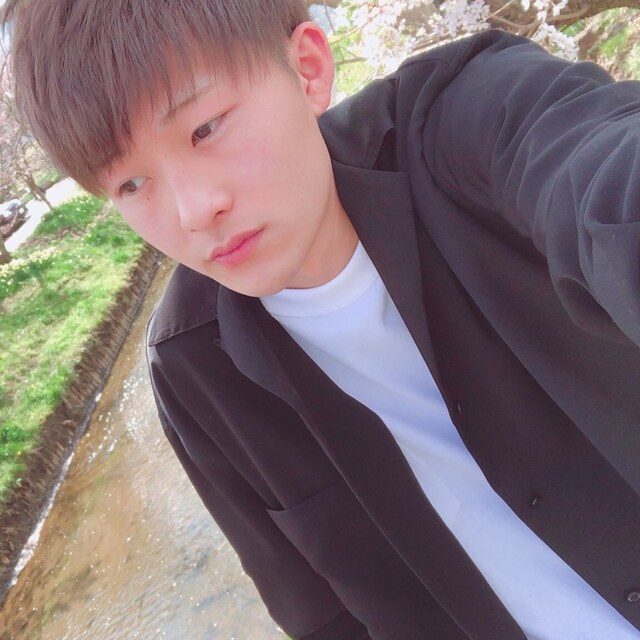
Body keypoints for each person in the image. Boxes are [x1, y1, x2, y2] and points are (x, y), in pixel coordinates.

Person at [3, 1, 640, 638]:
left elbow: (602, 176)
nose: (194, 211)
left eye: (205, 128)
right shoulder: (193, 367)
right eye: (131, 185)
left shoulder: (465, 119)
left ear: (307, 69)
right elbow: (323, 617)